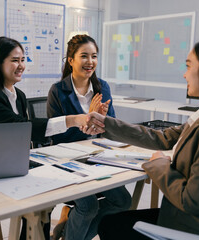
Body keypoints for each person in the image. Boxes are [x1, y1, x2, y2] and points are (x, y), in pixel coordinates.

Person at [84, 36, 199, 240]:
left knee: (111, 225)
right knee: (114, 221)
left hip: (192, 228)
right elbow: (162, 138)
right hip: (182, 217)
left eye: (189, 66)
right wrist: (106, 122)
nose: (184, 74)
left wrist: (160, 165)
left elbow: (192, 200)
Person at [0, 36, 88, 240]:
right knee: (44, 199)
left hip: (14, 164)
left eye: (23, 60)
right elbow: (21, 128)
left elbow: (22, 135)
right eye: (14, 60)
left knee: (65, 187)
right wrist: (71, 120)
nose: (21, 65)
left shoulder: (18, 95)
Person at [47, 34, 131, 240]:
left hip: (98, 157)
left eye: (94, 56)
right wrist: (87, 121)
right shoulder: (58, 91)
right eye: (84, 56)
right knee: (88, 206)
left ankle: (69, 231)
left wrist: (101, 121)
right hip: (68, 161)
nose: (90, 62)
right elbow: (57, 135)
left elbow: (111, 129)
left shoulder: (102, 87)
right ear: (71, 60)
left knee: (123, 201)